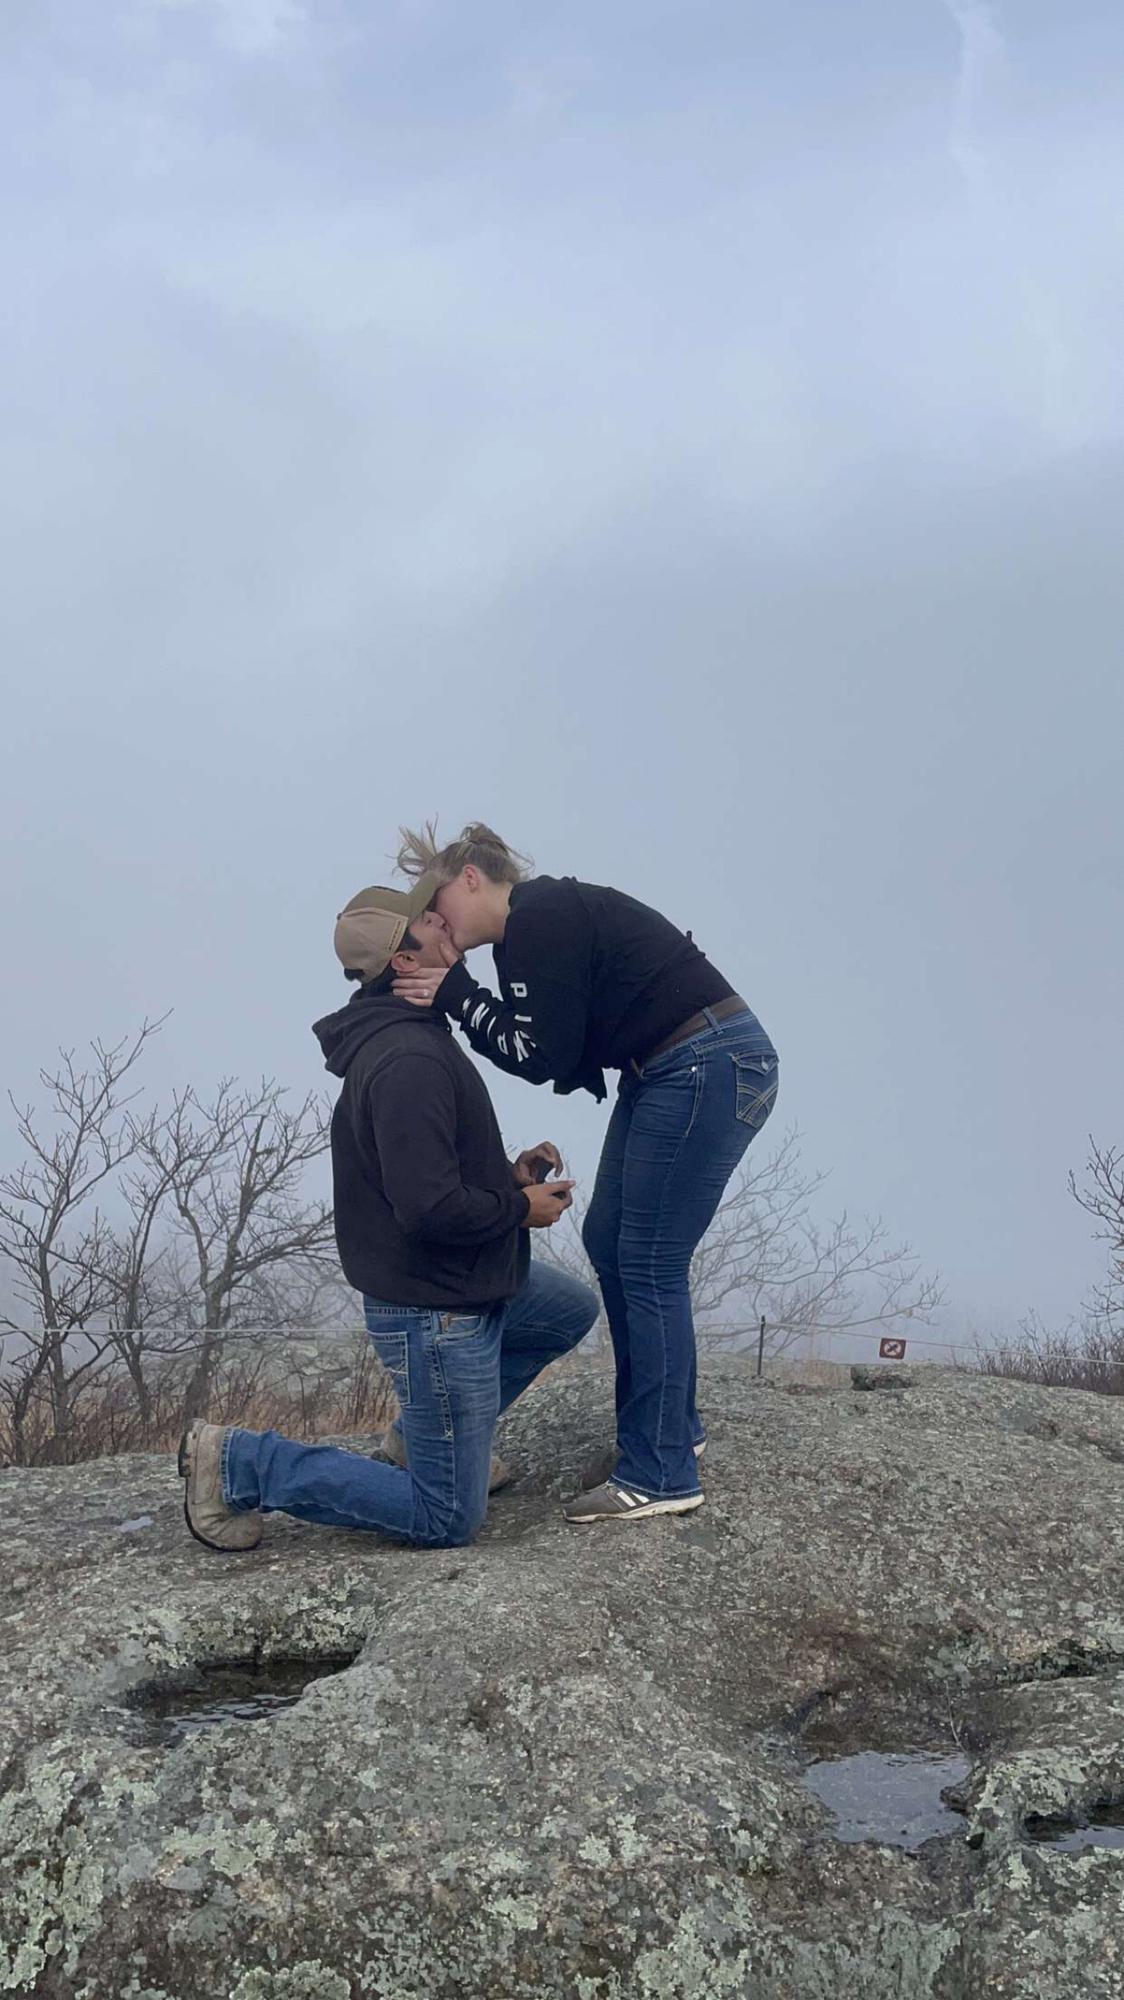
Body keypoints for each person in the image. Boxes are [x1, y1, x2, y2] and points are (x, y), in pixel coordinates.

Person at [179, 875, 598, 1554]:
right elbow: (428, 1208)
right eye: (428, 921)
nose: (444, 920)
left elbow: (427, 1168)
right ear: (405, 960)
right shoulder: (408, 1060)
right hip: (435, 1310)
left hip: (460, 1279)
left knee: (566, 1309)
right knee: (446, 1517)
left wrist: (506, 1176)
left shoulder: (417, 1033)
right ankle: (239, 1463)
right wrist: (517, 1209)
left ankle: (417, 1438)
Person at [391, 825, 779, 1524]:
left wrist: (455, 993)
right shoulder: (528, 932)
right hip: (673, 1067)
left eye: (436, 900)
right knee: (609, 1240)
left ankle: (660, 1472)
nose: (435, 919)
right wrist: (461, 996)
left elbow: (542, 1055)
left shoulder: (539, 916)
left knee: (649, 1260)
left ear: (471, 878)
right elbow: (539, 1048)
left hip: (704, 1062)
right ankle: (668, 1433)